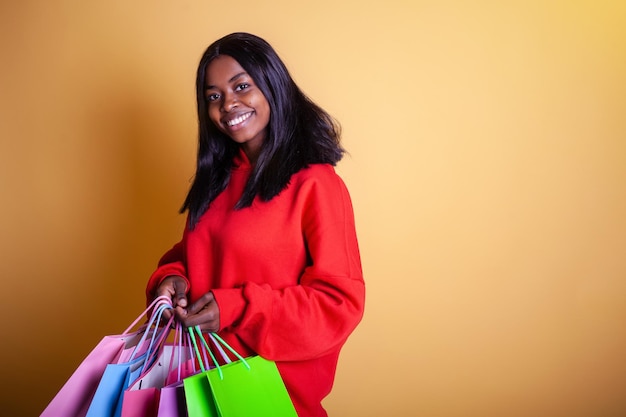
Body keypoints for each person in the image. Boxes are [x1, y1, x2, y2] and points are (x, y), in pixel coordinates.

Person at [146, 32, 365, 417]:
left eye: (241, 86)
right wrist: (172, 279)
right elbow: (197, 256)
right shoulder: (216, 181)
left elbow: (338, 305)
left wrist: (239, 307)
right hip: (197, 389)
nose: (228, 104)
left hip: (272, 398)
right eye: (213, 96)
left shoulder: (316, 183)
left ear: (272, 85)